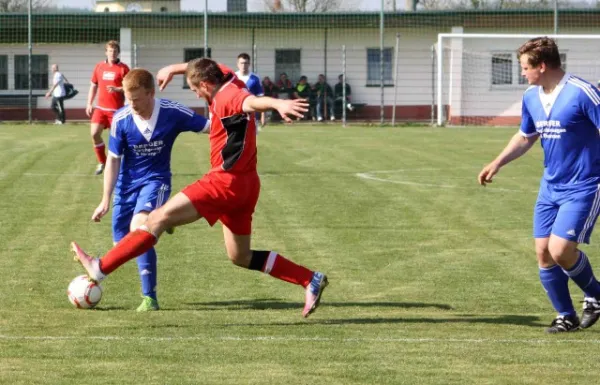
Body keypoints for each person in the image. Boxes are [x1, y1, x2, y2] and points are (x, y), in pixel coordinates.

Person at [71, 58, 328, 318]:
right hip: (248, 185)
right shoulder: (226, 78)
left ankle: (99, 267)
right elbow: (208, 65)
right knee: (240, 256)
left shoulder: (229, 95)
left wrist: (276, 103)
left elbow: (249, 102)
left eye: (194, 88)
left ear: (205, 84)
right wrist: (174, 68)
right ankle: (310, 279)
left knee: (154, 219)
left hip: (224, 181)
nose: (194, 92)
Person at [478, 37, 600, 333]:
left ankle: (595, 294)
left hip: (584, 185)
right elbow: (525, 136)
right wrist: (497, 162)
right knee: (543, 252)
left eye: (524, 67)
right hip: (550, 187)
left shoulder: (583, 93)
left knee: (560, 251)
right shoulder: (531, 96)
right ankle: (565, 316)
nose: (522, 73)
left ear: (541, 66)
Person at [91, 68, 209, 311]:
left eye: (136, 98)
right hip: (126, 186)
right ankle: (166, 218)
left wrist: (239, 123)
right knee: (122, 244)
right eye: (127, 98)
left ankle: (149, 298)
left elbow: (209, 126)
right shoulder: (121, 119)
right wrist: (105, 199)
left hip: (157, 180)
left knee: (139, 229)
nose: (131, 104)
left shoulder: (171, 112)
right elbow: (113, 160)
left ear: (150, 93)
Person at [87, 40, 130, 176]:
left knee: (117, 141)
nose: (112, 53)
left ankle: (122, 167)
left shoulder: (123, 68)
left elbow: (129, 87)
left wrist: (117, 89)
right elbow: (93, 86)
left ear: (118, 53)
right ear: (106, 52)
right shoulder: (99, 67)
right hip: (100, 108)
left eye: (115, 51)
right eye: (110, 51)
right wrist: (89, 103)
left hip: (116, 110)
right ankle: (102, 162)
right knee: (94, 134)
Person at [234, 53, 264, 128]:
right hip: (235, 114)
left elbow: (261, 97)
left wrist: (263, 115)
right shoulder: (233, 77)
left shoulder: (255, 78)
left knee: (251, 138)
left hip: (252, 114)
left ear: (249, 64)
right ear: (237, 64)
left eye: (246, 63)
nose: (243, 65)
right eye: (241, 63)